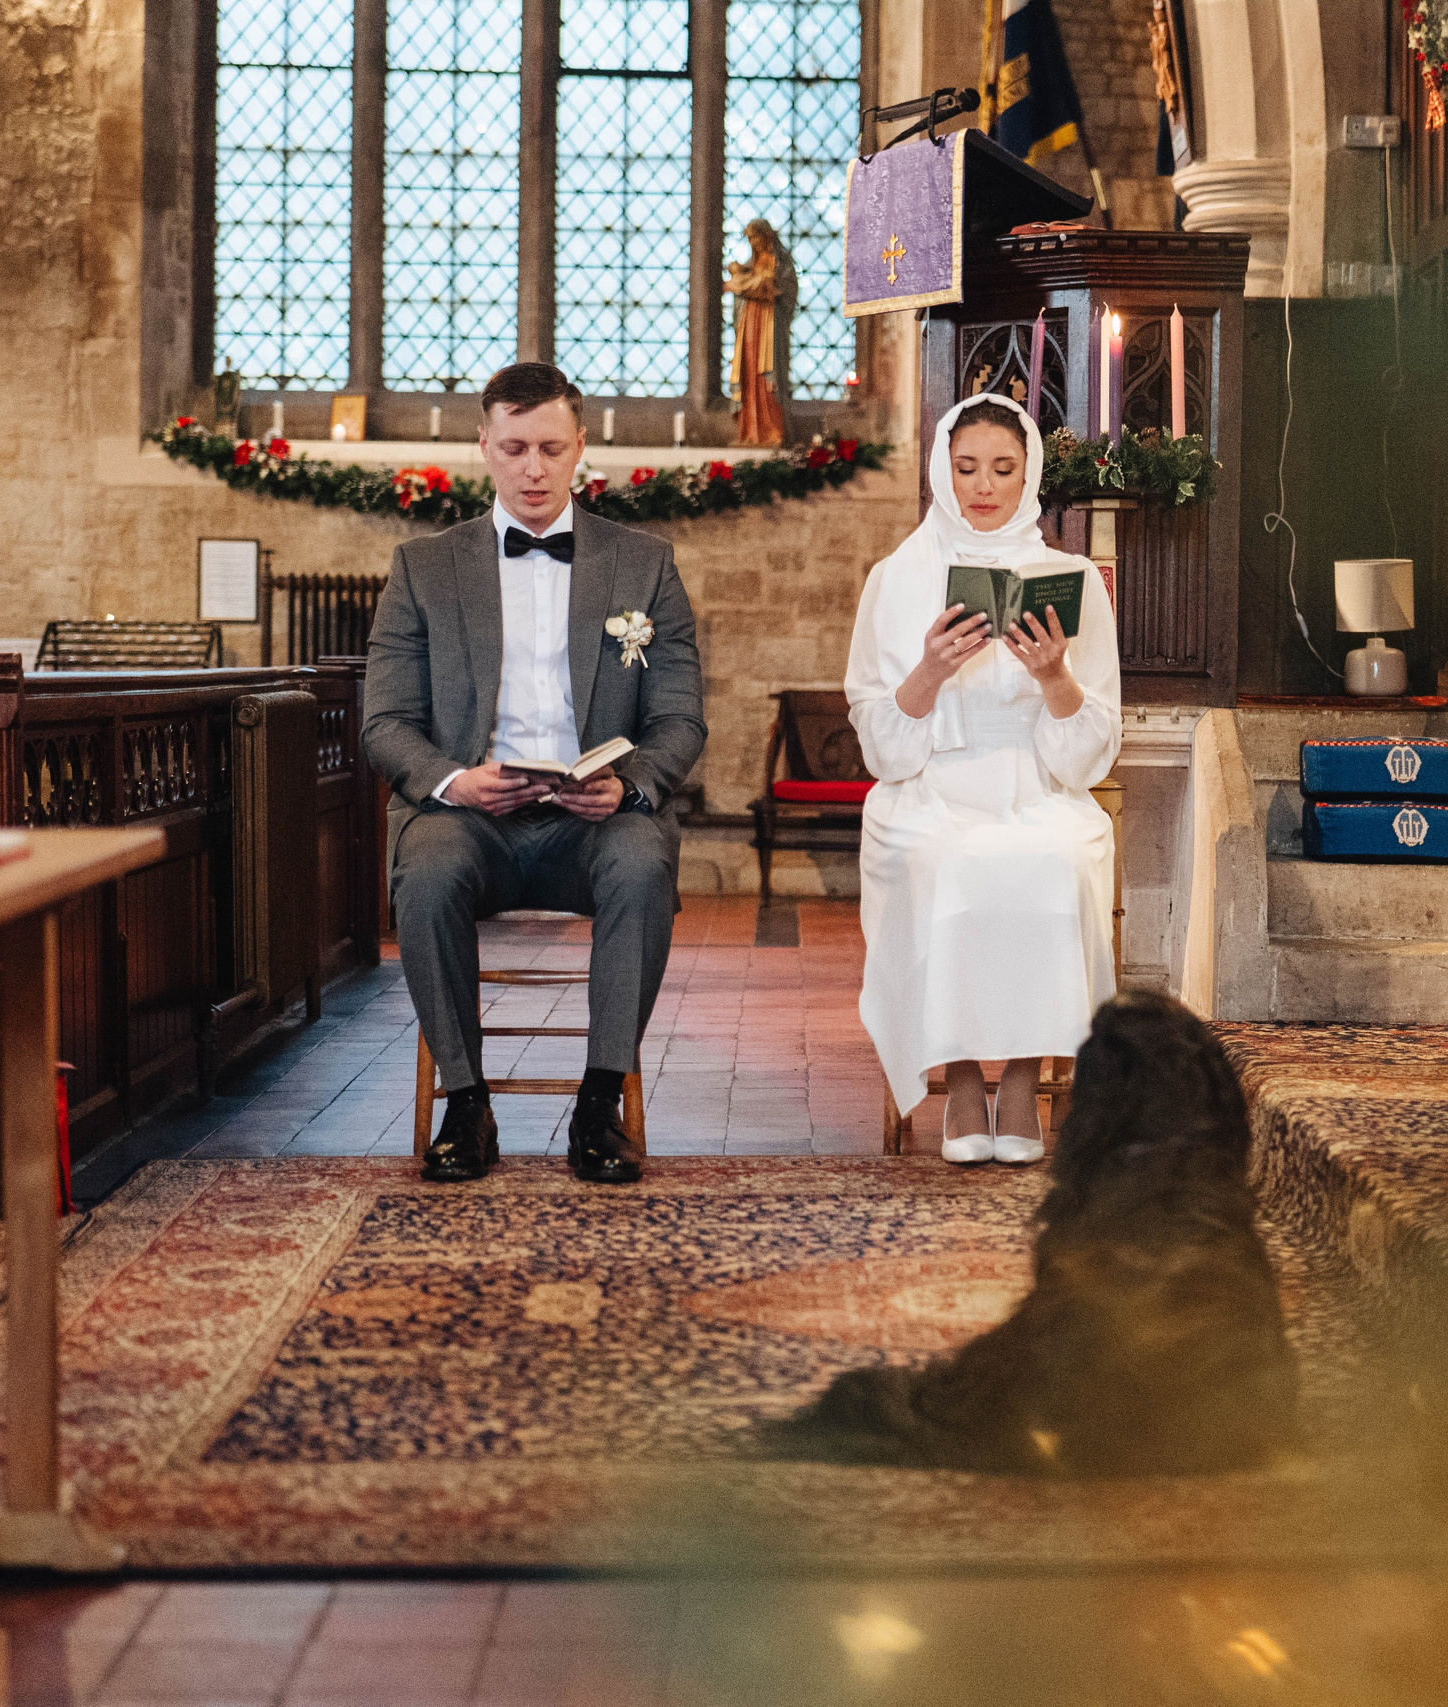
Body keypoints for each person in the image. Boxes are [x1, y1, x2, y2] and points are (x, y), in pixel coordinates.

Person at [363, 362, 706, 1186]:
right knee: (429, 869)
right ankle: (466, 1103)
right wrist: (454, 780)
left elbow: (680, 715)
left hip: (595, 820)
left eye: (551, 447)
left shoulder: (643, 565)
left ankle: (598, 1106)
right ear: (483, 445)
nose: (533, 468)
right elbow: (385, 721)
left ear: (581, 447)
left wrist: (628, 785)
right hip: (471, 819)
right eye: (514, 447)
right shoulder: (425, 567)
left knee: (642, 860)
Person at [760, 992, 1300, 1475]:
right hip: (1239, 1421)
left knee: (900, 1402)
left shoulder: (1099, 1240)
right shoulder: (1230, 1232)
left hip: (1118, 1429)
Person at [845, 393, 1122, 1165]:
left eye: (1003, 468)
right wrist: (929, 673)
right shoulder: (896, 578)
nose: (984, 486)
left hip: (1037, 781)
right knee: (941, 860)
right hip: (933, 779)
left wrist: (1056, 678)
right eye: (966, 468)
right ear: (942, 471)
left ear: (1029, 473)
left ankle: (1025, 1078)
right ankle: (964, 1077)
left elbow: (1091, 747)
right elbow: (879, 741)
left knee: (1059, 858)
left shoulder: (1072, 578)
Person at [723, 219, 794, 448]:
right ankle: (749, 431)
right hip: (750, 324)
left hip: (769, 325)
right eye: (750, 238)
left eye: (756, 236)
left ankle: (771, 431)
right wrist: (745, 283)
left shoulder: (781, 262)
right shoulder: (750, 265)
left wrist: (748, 284)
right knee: (749, 372)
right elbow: (745, 286)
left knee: (768, 376)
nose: (753, 242)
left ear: (768, 236)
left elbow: (780, 288)